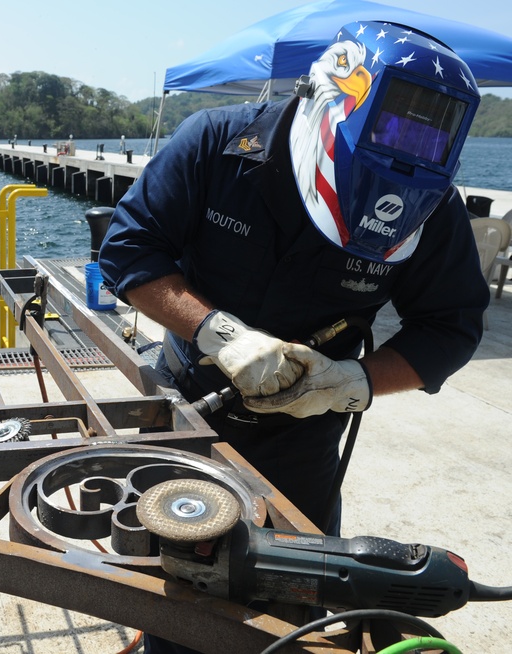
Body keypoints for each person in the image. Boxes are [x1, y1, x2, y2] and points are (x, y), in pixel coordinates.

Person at [98, 21, 489, 653]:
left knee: (293, 605)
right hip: (189, 408)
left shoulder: (433, 205)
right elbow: (129, 250)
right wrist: (220, 334)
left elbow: (452, 324)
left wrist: (352, 382)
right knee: (174, 592)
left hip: (306, 433)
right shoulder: (215, 143)